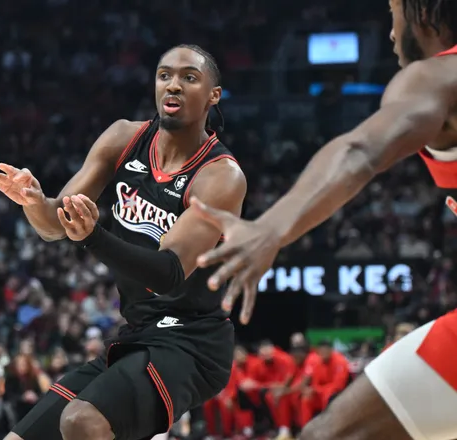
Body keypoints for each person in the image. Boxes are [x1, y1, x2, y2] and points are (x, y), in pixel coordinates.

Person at [188, 0, 457, 439]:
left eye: (392, 12)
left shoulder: (436, 76)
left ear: (422, 11)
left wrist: (271, 228)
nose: (390, 33)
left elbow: (360, 150)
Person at [0, 44, 247, 440]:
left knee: (81, 421)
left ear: (213, 95)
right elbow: (56, 225)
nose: (173, 85)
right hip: (138, 333)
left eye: (189, 78)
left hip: (192, 342)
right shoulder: (124, 137)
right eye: (164, 75)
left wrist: (94, 237)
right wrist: (35, 202)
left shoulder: (220, 176)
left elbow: (169, 274)